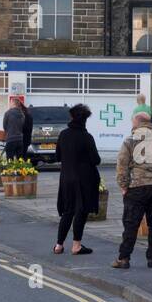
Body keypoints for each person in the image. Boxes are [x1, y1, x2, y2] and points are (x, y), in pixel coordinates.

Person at [112, 112, 152, 269]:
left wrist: (123, 186)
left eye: (132, 121)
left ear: (137, 123)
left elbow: (122, 165)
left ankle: (124, 258)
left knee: (131, 224)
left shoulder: (129, 141)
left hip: (137, 187)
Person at [54, 104, 101, 255]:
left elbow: (57, 157)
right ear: (85, 120)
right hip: (84, 179)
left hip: (66, 177)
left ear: (72, 117)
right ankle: (76, 245)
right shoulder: (87, 137)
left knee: (68, 211)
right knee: (81, 211)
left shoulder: (63, 134)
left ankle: (59, 245)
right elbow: (96, 160)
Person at [1, 96, 26, 162]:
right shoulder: (22, 114)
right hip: (20, 139)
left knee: (10, 159)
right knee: (20, 159)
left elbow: (4, 126)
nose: (9, 104)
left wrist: (9, 131)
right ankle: (20, 172)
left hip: (11, 139)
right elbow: (22, 125)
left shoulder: (8, 113)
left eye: (10, 103)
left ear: (13, 103)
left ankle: (10, 172)